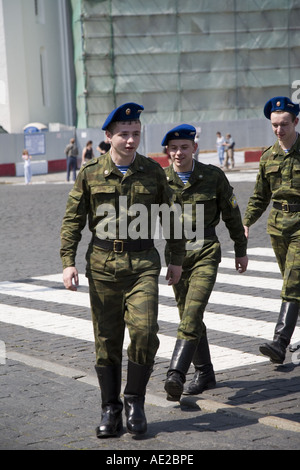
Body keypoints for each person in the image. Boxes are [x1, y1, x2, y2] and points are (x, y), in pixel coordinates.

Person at [60, 103, 185, 438]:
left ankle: (135, 401)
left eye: (136, 134)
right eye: (124, 134)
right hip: (102, 267)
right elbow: (72, 220)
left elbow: (170, 218)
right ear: (109, 136)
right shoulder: (89, 173)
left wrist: (176, 258)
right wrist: (68, 262)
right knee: (107, 340)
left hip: (143, 263)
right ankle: (110, 408)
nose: (131, 141)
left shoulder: (152, 171)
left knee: (145, 332)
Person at [162, 124, 248, 402]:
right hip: (176, 256)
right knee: (189, 314)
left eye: (184, 147)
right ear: (167, 151)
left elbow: (232, 215)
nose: (179, 152)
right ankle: (205, 373)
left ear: (194, 148)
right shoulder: (159, 180)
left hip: (206, 250)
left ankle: (176, 373)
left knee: (193, 310)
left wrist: (240, 249)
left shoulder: (213, 176)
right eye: (173, 148)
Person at [243, 96, 300, 365]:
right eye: (275, 125)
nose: (279, 129)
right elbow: (259, 196)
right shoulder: (268, 157)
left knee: (293, 282)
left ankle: (280, 342)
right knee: (294, 284)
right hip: (278, 227)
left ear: (295, 122)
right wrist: (245, 222)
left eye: (284, 124)